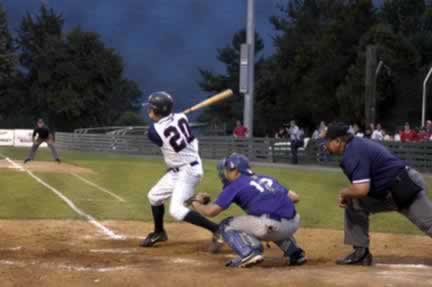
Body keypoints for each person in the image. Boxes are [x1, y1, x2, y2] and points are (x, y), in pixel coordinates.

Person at [323, 122, 432, 266]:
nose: (325, 145)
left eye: (327, 141)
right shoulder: (353, 147)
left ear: (338, 141)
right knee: (353, 201)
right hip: (387, 192)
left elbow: (362, 189)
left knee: (429, 224)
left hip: (404, 187)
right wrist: (348, 195)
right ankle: (361, 253)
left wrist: (343, 192)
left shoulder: (354, 151)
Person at [191, 154, 306, 268]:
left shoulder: (234, 185)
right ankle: (295, 253)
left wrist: (196, 203)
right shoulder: (266, 178)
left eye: (227, 170)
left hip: (272, 227)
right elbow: (295, 197)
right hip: (294, 223)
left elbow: (211, 212)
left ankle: (248, 252)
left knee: (225, 224)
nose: (225, 174)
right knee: (272, 218)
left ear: (235, 170)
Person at [140, 91, 221, 251]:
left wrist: (167, 121)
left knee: (176, 210)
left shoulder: (154, 131)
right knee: (154, 196)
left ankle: (218, 229)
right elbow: (173, 122)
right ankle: (159, 232)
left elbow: (155, 132)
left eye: (151, 108)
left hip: (188, 171)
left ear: (158, 111)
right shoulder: (181, 118)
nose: (149, 111)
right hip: (178, 170)